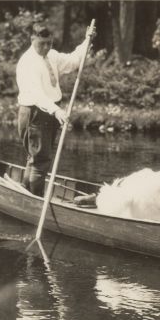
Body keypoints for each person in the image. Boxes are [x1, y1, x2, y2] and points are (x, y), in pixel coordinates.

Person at [16, 23, 95, 196]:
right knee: (40, 160)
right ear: (32, 39)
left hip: (49, 112)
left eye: (49, 43)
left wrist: (86, 41)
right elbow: (36, 94)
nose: (45, 47)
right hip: (34, 113)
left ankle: (25, 193)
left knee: (36, 159)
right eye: (41, 43)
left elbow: (73, 61)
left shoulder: (51, 55)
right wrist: (56, 111)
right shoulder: (27, 63)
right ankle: (35, 200)